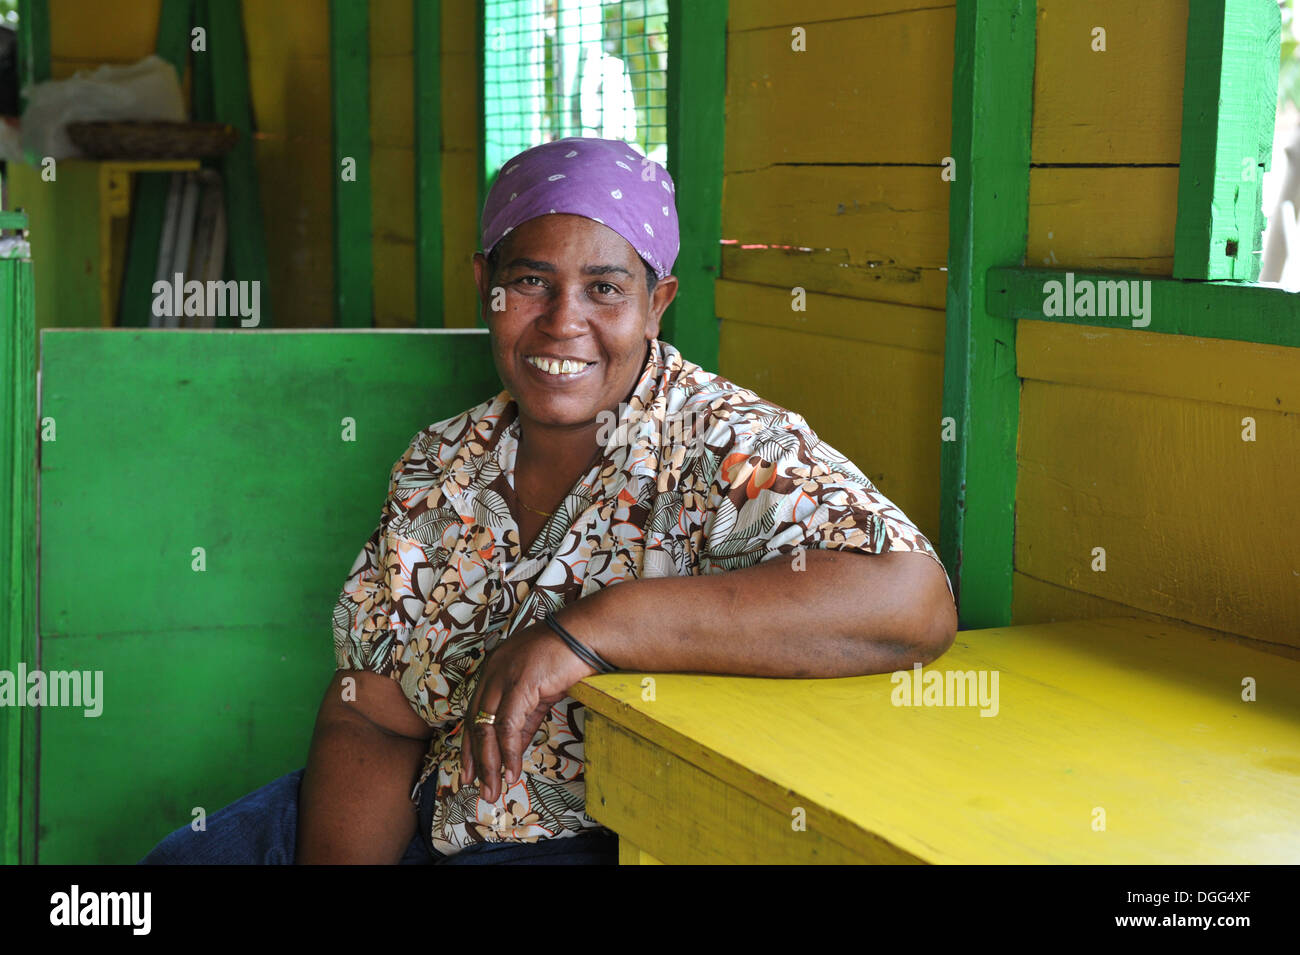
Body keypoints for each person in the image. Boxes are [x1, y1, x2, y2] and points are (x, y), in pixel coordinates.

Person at [141, 136, 957, 866]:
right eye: (531, 281)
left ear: (657, 303)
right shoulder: (442, 462)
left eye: (605, 288)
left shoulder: (722, 444)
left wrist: (591, 629)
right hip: (417, 806)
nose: (564, 322)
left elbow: (912, 601)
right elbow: (374, 713)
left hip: (584, 838)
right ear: (485, 287)